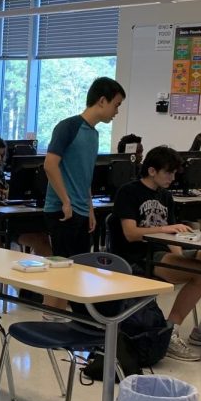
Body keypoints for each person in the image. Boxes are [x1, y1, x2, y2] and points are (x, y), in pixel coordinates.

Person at [110, 146, 201, 362]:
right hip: (137, 256)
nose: (172, 178)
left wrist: (180, 257)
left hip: (162, 252)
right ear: (152, 171)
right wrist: (165, 230)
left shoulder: (165, 196)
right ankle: (169, 333)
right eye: (168, 173)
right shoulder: (129, 191)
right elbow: (131, 234)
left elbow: (171, 237)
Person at [43, 77, 126, 262]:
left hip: (80, 210)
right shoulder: (68, 127)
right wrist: (65, 201)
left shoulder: (94, 134)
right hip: (62, 210)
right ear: (102, 101)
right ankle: (33, 293)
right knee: (62, 269)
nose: (117, 111)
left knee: (79, 268)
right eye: (116, 105)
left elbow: (85, 175)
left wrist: (90, 209)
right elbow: (49, 165)